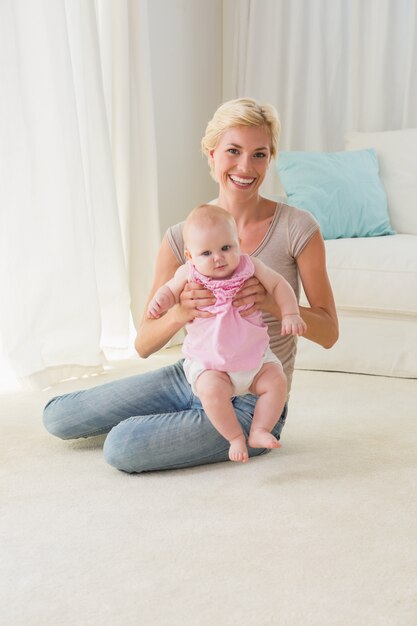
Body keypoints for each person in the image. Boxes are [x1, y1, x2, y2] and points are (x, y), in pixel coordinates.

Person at [43, 97, 338, 473]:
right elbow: (144, 343)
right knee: (59, 417)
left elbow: (329, 333)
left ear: (270, 158)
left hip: (254, 396)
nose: (246, 167)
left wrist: (270, 303)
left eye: (259, 154)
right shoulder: (182, 238)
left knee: (122, 445)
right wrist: (181, 312)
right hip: (196, 374)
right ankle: (183, 414)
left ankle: (225, 431)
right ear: (211, 154)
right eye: (233, 151)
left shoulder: (298, 228)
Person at [147, 203, 306, 463]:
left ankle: (259, 429)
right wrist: (160, 303)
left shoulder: (250, 266)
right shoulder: (188, 274)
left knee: (276, 381)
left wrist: (290, 313)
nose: (218, 258)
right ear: (190, 256)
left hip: (255, 360)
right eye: (206, 253)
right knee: (210, 391)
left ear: (239, 243)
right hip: (212, 365)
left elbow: (280, 285)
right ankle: (234, 437)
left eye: (226, 248)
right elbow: (169, 290)